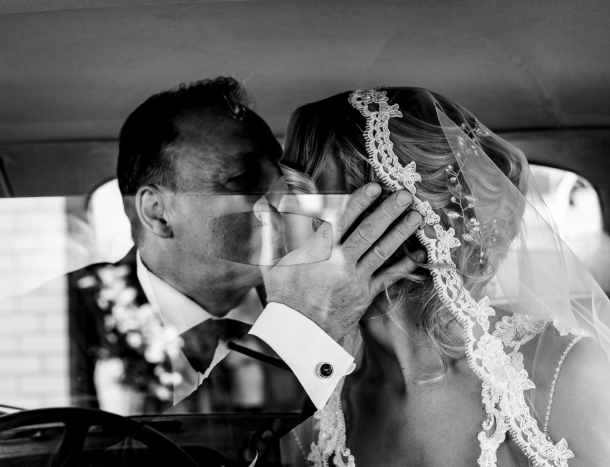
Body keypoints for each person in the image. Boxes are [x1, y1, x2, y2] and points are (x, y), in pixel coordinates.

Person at [276, 88, 610, 466]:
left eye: (301, 194)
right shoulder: (303, 394)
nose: (278, 220)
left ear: (394, 219)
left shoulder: (559, 373)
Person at [63, 77, 426, 463]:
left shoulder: (355, 299)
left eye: (282, 172)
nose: (286, 196)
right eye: (243, 180)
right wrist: (298, 333)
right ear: (158, 212)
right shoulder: (55, 324)